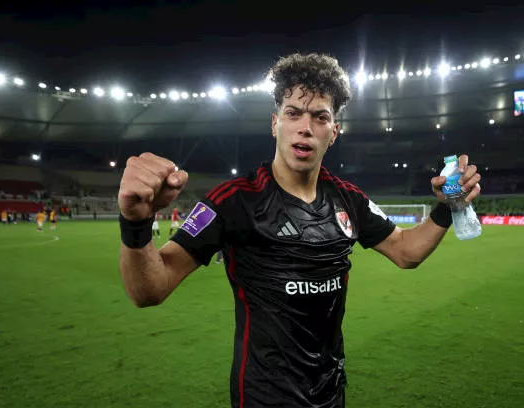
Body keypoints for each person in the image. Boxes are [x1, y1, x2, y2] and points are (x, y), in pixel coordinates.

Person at [117, 53, 482, 408]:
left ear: (333, 132)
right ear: (275, 123)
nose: (305, 127)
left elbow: (406, 251)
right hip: (263, 399)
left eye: (320, 117)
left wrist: (448, 207)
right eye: (293, 113)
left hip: (331, 394)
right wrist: (135, 222)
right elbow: (150, 289)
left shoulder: (349, 199)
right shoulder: (232, 201)